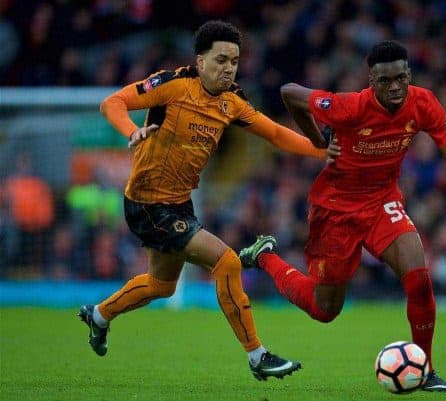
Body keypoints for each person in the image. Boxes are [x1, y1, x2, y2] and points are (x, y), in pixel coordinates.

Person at [240, 40, 446, 391]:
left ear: (409, 75)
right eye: (385, 80)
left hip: (382, 202)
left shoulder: (423, 103)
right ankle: (266, 257)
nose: (394, 87)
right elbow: (290, 92)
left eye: (400, 78)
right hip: (335, 209)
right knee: (324, 310)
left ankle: (423, 371)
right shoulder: (348, 107)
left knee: (419, 279)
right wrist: (318, 140)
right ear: (371, 80)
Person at [77, 20, 328, 381]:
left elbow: (273, 133)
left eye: (235, 61)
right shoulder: (173, 84)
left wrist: (321, 153)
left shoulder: (232, 102)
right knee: (227, 262)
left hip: (178, 203)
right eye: (221, 60)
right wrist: (133, 131)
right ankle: (258, 356)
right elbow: (112, 102)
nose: (228, 68)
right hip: (148, 204)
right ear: (200, 61)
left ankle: (99, 315)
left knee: (161, 285)